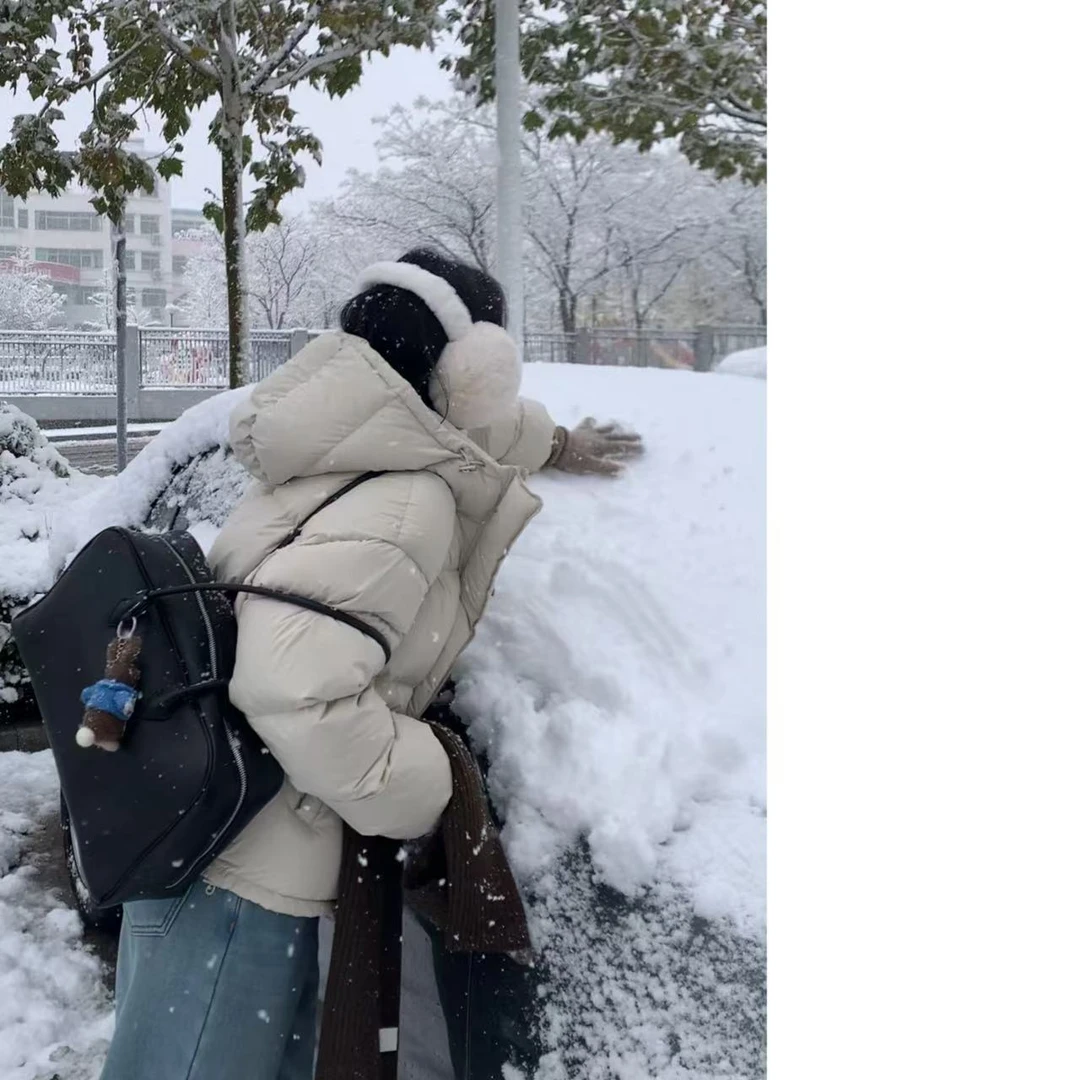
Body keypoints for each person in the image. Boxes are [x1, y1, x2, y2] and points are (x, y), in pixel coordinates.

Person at [100, 249, 643, 1080]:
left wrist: (557, 442)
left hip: (202, 830)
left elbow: (467, 434)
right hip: (247, 875)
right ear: (469, 370)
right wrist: (429, 780)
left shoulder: (343, 441)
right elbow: (293, 686)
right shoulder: (406, 500)